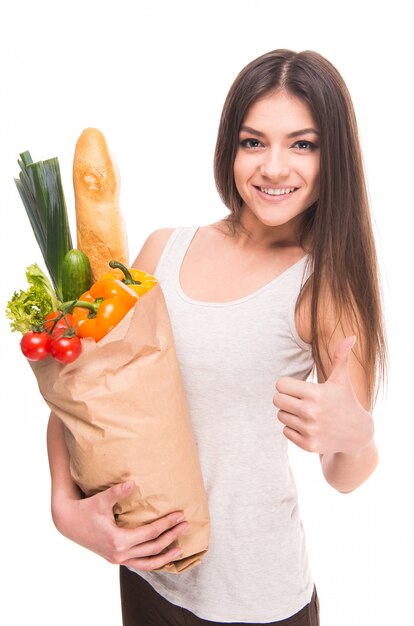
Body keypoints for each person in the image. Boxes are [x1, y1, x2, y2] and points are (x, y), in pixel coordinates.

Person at [47, 49, 387, 625]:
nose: (274, 168)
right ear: (230, 146)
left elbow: (344, 474)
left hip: (259, 598)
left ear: (334, 157)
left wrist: (357, 435)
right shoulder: (161, 250)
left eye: (302, 144)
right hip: (151, 576)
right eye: (254, 142)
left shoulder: (326, 286)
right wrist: (65, 509)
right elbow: (86, 393)